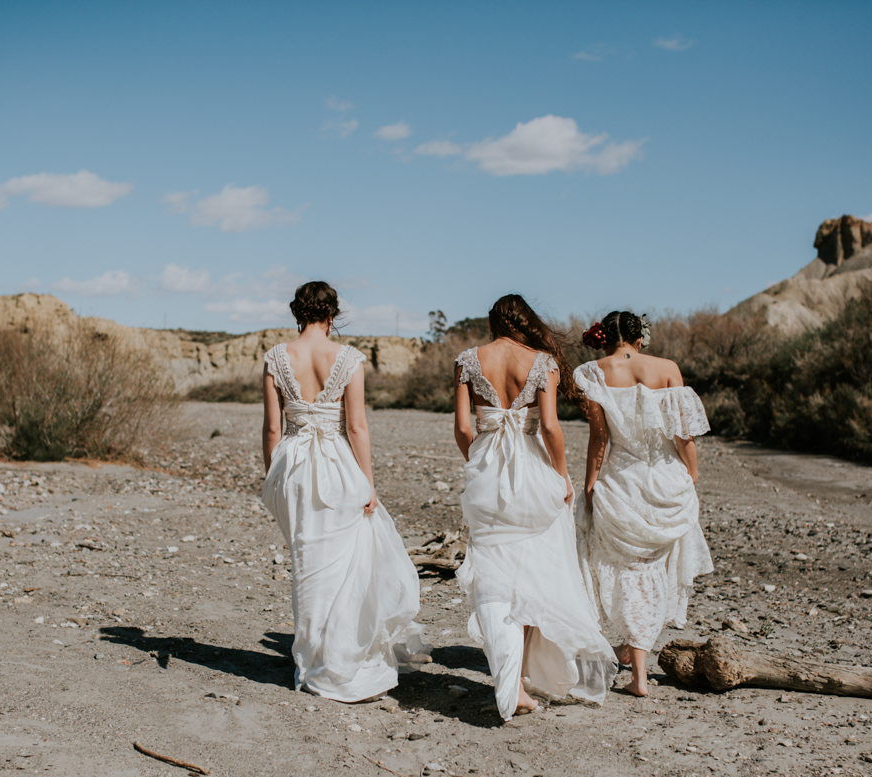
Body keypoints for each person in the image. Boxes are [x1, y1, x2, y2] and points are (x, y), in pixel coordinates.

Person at [453, 294, 615, 720]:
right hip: (532, 469)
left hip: (487, 467)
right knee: (534, 570)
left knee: (492, 569)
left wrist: (479, 462)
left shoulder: (468, 359)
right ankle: (516, 682)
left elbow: (463, 427)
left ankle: (511, 683)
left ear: (493, 322)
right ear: (526, 322)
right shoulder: (543, 362)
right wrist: (562, 476)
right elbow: (548, 426)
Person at [261, 281, 424, 701]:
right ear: (332, 315)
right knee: (341, 565)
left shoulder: (276, 358)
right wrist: (368, 483)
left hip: (293, 467)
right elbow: (356, 427)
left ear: (298, 314)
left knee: (306, 564)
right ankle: (338, 661)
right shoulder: (349, 358)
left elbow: (272, 429)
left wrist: (272, 478)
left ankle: (312, 662)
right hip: (336, 466)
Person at [575, 311, 713, 697]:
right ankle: (637, 665)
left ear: (605, 337)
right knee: (654, 567)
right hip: (664, 478)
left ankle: (632, 660)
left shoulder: (592, 372)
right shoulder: (667, 368)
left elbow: (599, 438)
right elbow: (682, 433)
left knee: (627, 567)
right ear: (640, 337)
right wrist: (692, 473)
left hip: (622, 479)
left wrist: (590, 484)